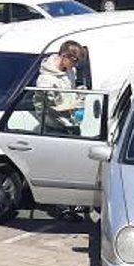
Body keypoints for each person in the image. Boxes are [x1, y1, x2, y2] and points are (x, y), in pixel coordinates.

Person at [36, 40, 90, 221]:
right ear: (65, 56)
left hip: (71, 124)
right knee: (61, 169)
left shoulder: (70, 71)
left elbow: (70, 94)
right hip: (55, 127)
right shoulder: (46, 81)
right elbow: (51, 108)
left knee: (76, 165)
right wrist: (75, 103)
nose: (75, 66)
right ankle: (62, 207)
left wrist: (79, 94)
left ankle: (75, 202)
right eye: (74, 61)